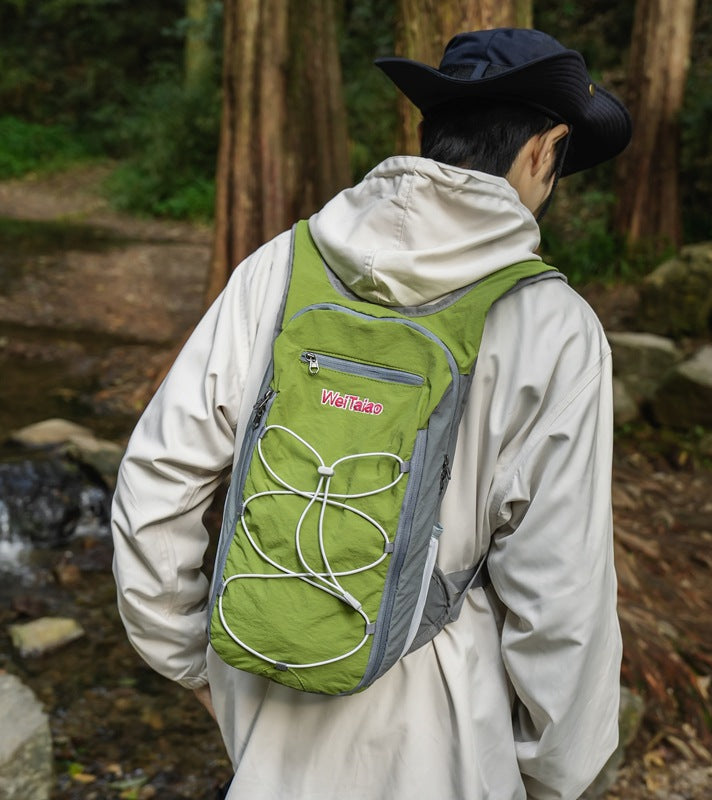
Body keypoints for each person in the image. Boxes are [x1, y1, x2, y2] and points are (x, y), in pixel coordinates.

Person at [111, 27, 632, 800]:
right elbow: (562, 589)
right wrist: (557, 770)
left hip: (266, 688)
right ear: (544, 149)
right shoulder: (554, 326)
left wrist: (190, 660)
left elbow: (158, 477)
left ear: (432, 130)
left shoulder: (280, 266)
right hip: (446, 727)